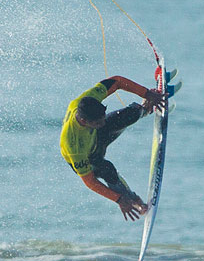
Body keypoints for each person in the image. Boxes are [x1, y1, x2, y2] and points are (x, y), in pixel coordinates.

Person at [60, 76, 166, 221]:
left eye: (103, 118)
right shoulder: (72, 144)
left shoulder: (88, 99)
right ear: (84, 121)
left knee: (126, 115)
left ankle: (146, 107)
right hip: (89, 157)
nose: (103, 123)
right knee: (107, 170)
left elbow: (117, 81)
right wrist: (118, 199)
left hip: (96, 136)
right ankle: (133, 201)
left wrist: (146, 93)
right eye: (99, 121)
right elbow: (90, 182)